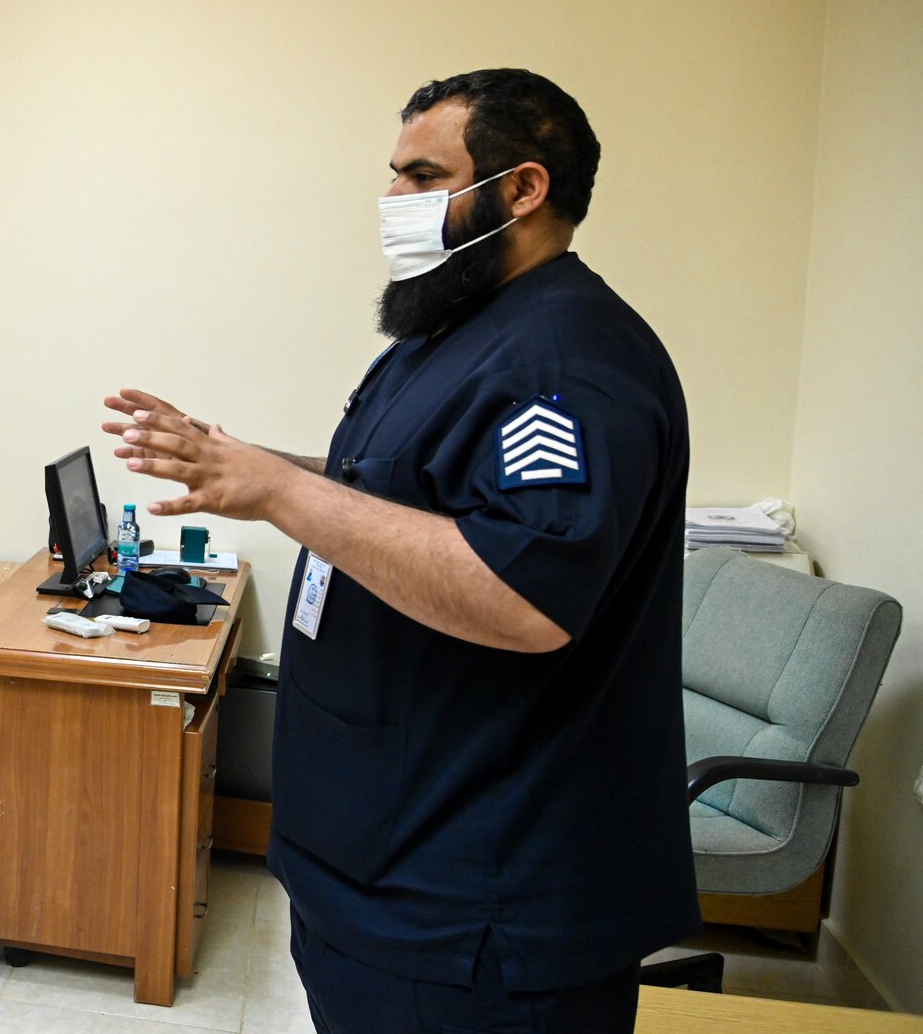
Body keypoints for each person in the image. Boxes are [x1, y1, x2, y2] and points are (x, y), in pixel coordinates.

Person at [104, 69, 697, 1033]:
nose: (394, 202)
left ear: (523, 189)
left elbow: (523, 594)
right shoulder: (451, 333)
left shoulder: (565, 363)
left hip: (477, 905)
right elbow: (387, 485)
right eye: (394, 175)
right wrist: (241, 464)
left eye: (424, 177)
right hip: (381, 864)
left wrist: (282, 491)